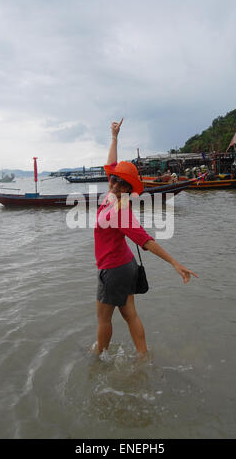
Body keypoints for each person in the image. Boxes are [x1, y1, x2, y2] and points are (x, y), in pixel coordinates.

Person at [93, 119, 198, 356]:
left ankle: (98, 358)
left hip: (113, 269)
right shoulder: (113, 196)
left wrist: (175, 263)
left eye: (122, 182)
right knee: (130, 314)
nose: (115, 183)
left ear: (129, 189)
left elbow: (146, 241)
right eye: (114, 178)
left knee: (103, 319)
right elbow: (111, 163)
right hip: (125, 265)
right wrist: (114, 137)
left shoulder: (121, 211)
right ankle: (143, 357)